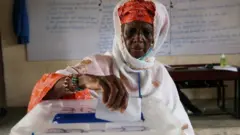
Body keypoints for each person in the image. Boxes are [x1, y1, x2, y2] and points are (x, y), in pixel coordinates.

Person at [28, 0, 195, 134]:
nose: (138, 38)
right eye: (131, 31)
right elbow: (45, 89)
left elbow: (179, 122)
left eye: (146, 32)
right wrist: (83, 80)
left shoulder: (160, 75)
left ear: (156, 36)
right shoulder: (97, 65)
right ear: (120, 34)